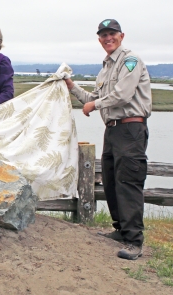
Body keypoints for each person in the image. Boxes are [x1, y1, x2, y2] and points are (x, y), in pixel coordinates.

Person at [64, 19, 152, 260]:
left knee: (129, 181)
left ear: (121, 35)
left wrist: (95, 104)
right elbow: (92, 97)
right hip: (112, 129)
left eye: (111, 33)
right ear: (99, 39)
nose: (107, 38)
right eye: (103, 35)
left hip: (131, 129)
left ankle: (134, 240)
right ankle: (121, 229)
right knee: (112, 180)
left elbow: (122, 95)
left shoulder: (130, 60)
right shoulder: (105, 68)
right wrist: (71, 86)